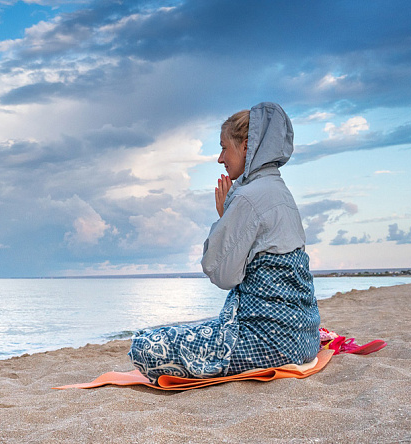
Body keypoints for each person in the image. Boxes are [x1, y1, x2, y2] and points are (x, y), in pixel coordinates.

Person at [129, 102, 320, 382]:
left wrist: (225, 216)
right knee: (183, 330)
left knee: (143, 346)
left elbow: (222, 274)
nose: (220, 158)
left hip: (271, 344)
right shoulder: (282, 194)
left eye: (223, 147)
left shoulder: (247, 198)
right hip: (304, 338)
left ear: (246, 146)